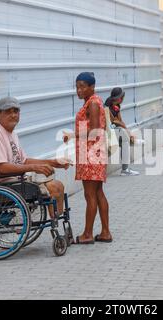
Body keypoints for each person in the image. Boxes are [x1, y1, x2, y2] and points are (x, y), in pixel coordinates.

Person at [0, 96, 71, 219]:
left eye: (16, 111)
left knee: (58, 185)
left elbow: (23, 160)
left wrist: (53, 162)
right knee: (54, 187)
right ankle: (56, 224)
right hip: (5, 183)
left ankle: (57, 221)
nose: (13, 115)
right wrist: (34, 167)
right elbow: (2, 167)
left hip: (16, 180)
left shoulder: (11, 132)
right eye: (8, 111)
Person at [63, 72, 112, 244]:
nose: (79, 90)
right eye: (77, 87)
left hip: (91, 154)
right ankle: (105, 232)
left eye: (83, 86)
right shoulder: (94, 101)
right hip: (93, 153)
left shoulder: (92, 103)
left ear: (92, 87)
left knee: (90, 194)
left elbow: (94, 131)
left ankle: (87, 234)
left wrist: (72, 135)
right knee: (98, 193)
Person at [104, 87, 140, 176]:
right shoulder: (107, 107)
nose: (123, 99)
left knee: (124, 141)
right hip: (107, 132)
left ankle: (125, 169)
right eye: (122, 97)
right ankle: (125, 169)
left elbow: (120, 121)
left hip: (115, 131)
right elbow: (114, 122)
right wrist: (125, 130)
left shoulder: (117, 106)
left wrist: (128, 132)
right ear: (119, 98)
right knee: (124, 140)